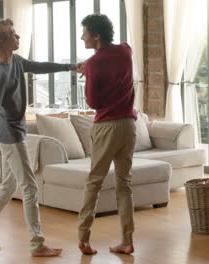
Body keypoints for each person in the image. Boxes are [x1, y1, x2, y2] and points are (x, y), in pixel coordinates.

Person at [0, 19, 81, 257]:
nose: (18, 37)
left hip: (16, 132)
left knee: (9, 186)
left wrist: (70, 67)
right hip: (9, 136)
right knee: (30, 187)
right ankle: (37, 244)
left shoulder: (16, 61)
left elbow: (38, 66)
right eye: (14, 35)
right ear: (3, 42)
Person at [77, 14, 137, 255]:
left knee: (94, 182)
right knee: (124, 184)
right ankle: (127, 240)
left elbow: (93, 102)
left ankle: (83, 238)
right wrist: (89, 69)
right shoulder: (125, 51)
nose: (82, 36)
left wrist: (87, 74)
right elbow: (112, 63)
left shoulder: (93, 64)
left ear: (96, 35)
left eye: (85, 32)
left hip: (106, 127)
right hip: (129, 126)